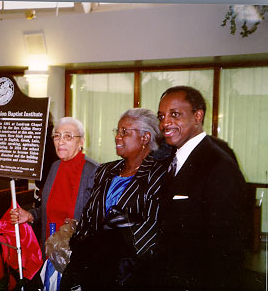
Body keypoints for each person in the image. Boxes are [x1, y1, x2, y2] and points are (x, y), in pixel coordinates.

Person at [60, 108, 167, 290]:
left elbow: (154, 227)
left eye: (124, 131)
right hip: (90, 266)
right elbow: (88, 216)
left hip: (129, 273)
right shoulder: (105, 170)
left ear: (145, 138)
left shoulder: (158, 174)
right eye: (117, 131)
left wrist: (125, 232)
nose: (117, 137)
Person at [154, 86, 248, 289]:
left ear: (198, 116)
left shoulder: (218, 164)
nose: (165, 123)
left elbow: (227, 246)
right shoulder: (173, 158)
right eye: (161, 116)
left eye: (175, 114)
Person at [10, 117, 98, 255]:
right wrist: (30, 215)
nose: (60, 141)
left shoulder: (93, 171)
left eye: (68, 136)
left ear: (81, 142)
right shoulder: (55, 167)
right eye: (57, 136)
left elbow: (95, 220)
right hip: (49, 247)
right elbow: (50, 207)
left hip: (76, 253)